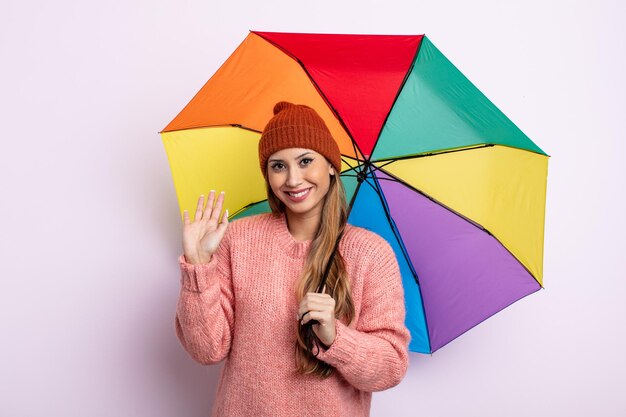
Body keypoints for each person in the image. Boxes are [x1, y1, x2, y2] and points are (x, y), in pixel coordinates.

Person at [175, 101, 411, 417]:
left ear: (330, 165)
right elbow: (207, 350)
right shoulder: (238, 239)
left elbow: (390, 368)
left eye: (305, 161)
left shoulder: (370, 253)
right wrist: (199, 266)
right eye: (278, 165)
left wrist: (334, 336)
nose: (293, 179)